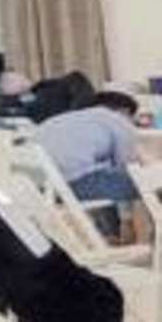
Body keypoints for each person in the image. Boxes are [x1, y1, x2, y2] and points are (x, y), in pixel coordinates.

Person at [31, 88, 147, 239]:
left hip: (38, 188)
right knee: (153, 183)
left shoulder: (61, 119)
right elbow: (129, 167)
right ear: (124, 111)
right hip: (73, 185)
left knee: (103, 176)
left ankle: (109, 234)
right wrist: (127, 218)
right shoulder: (117, 120)